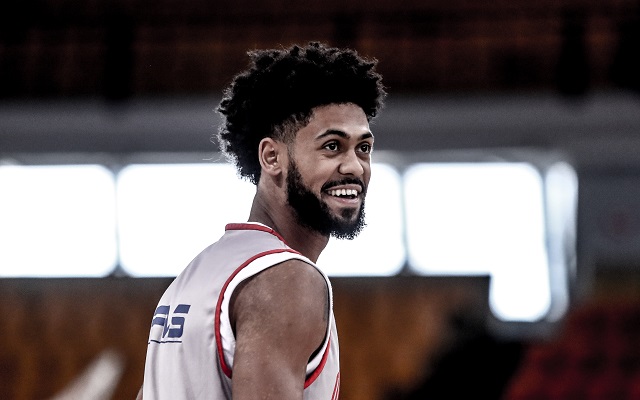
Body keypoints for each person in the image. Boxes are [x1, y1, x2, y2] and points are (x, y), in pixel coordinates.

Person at [137, 41, 386, 400]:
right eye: (332, 146)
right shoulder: (289, 279)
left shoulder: (193, 277)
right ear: (271, 157)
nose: (354, 167)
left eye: (363, 148)